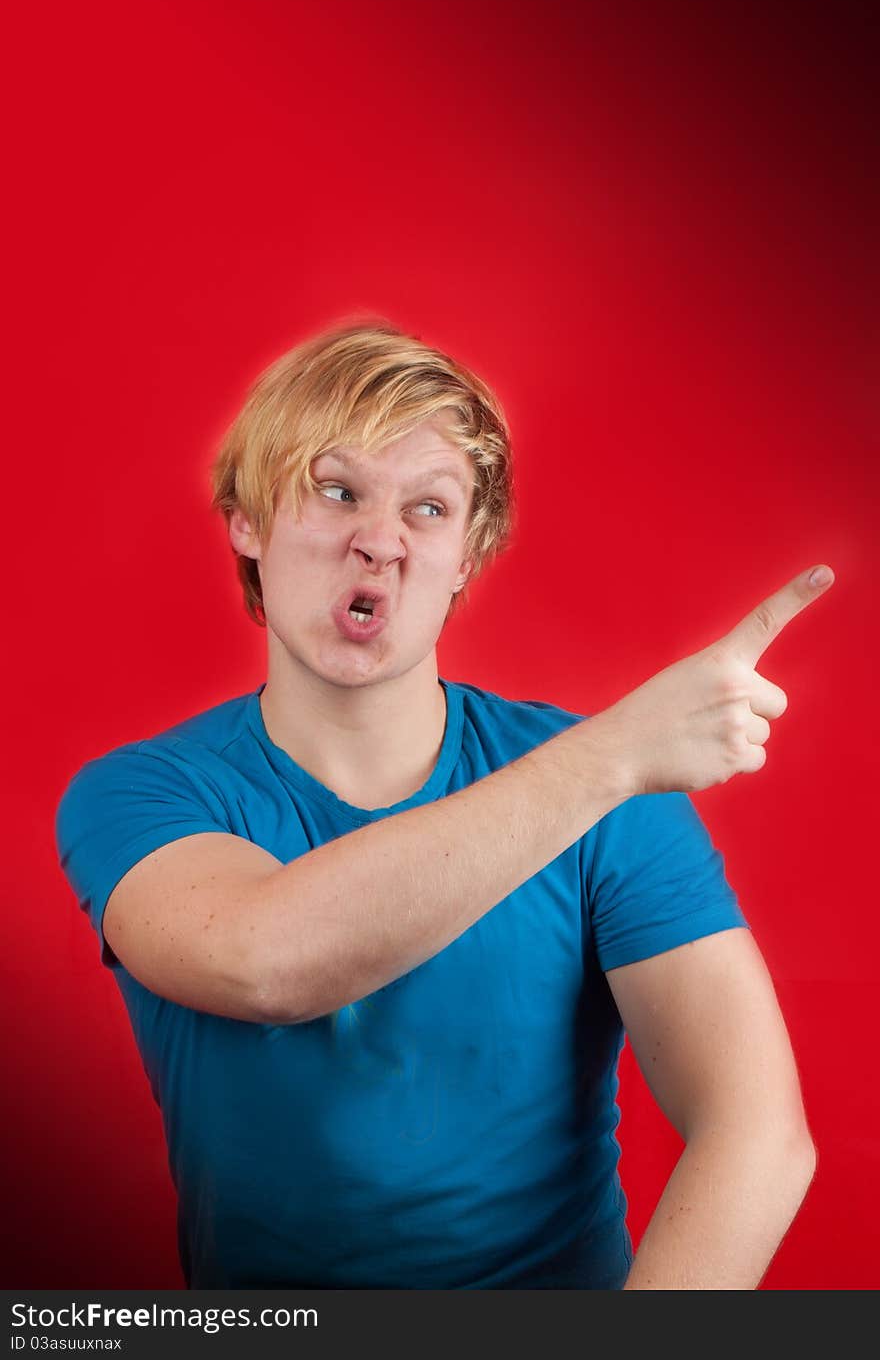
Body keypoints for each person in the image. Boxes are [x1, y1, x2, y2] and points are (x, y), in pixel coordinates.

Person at [55, 319, 831, 1290]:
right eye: (337, 491)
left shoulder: (615, 789)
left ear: (469, 554)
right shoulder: (138, 794)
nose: (378, 540)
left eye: (427, 509)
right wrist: (616, 752)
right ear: (247, 519)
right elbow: (264, 963)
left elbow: (756, 1129)